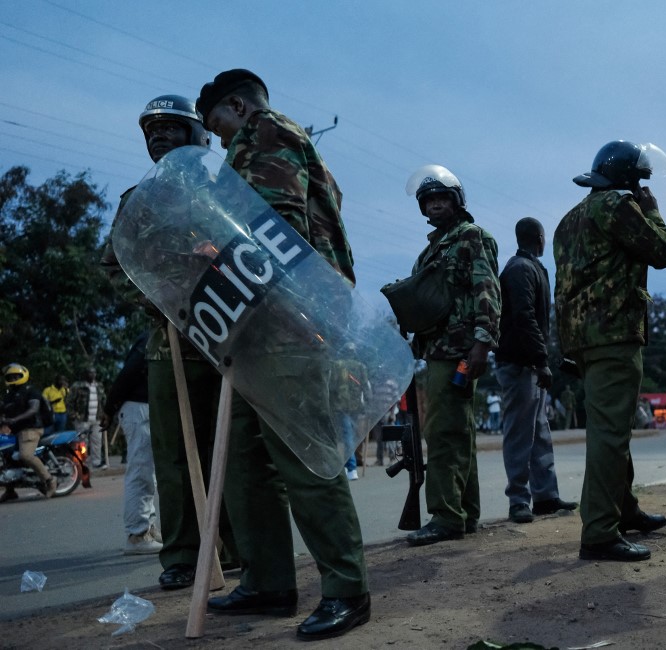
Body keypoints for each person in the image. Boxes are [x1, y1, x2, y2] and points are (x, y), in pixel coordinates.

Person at [195, 69, 369, 641]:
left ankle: (347, 590)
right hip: (254, 324)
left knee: (302, 451)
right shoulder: (260, 143)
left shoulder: (266, 135)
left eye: (218, 126)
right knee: (246, 460)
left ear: (239, 107)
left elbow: (274, 231)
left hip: (289, 320)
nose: (218, 139)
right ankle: (269, 582)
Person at [100, 94, 238, 591]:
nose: (159, 136)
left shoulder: (228, 188)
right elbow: (114, 264)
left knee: (232, 447)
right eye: (151, 130)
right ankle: (183, 554)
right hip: (170, 341)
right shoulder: (137, 197)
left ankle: (237, 547)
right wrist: (155, 296)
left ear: (198, 136)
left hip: (226, 337)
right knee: (176, 453)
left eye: (171, 128)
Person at [554, 140, 666, 562]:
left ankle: (624, 510)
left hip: (582, 340)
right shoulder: (616, 207)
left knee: (610, 427)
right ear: (628, 180)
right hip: (613, 336)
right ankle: (601, 531)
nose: (642, 188)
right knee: (609, 435)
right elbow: (662, 251)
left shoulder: (570, 218)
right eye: (640, 181)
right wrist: (652, 208)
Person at [402, 164, 500, 547]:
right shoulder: (432, 249)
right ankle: (465, 512)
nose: (434, 205)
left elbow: (486, 289)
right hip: (437, 350)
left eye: (442, 198)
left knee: (442, 432)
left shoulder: (470, 237)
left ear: (457, 201)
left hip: (459, 350)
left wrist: (482, 342)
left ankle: (446, 516)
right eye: (428, 201)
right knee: (459, 432)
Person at [494, 217, 578, 525]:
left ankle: (545, 496)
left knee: (539, 432)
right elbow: (524, 318)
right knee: (520, 433)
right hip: (519, 364)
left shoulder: (528, 268)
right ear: (540, 238)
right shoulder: (520, 270)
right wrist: (541, 359)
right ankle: (518, 500)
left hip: (528, 362)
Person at [104, 334, 162, 555]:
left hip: (142, 408)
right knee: (141, 470)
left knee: (148, 472)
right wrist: (109, 408)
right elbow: (127, 374)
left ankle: (148, 527)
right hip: (138, 408)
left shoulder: (154, 337)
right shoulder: (151, 338)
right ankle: (137, 535)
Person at [0, 364, 57, 501]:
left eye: (16, 376)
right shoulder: (9, 395)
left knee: (25, 455)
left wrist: (14, 419)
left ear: (23, 375)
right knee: (7, 457)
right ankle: (10, 491)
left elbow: (33, 409)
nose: (13, 378)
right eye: (11, 376)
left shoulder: (31, 391)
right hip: (15, 431)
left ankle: (50, 480)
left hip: (31, 429)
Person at [67, 367, 107, 469]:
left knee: (97, 441)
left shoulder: (99, 386)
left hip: (97, 418)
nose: (92, 375)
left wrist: (105, 414)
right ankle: (82, 462)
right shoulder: (77, 386)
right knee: (82, 442)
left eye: (94, 373)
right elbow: (69, 401)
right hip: (82, 418)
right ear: (85, 374)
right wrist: (73, 415)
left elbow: (103, 400)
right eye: (90, 373)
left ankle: (96, 462)